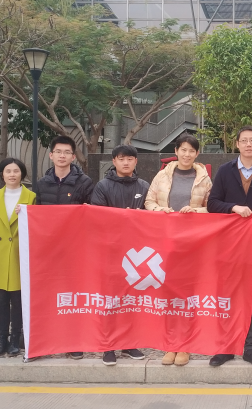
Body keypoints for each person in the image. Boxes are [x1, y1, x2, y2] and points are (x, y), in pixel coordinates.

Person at [207, 125, 252, 369]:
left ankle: (250, 347)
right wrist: (233, 208)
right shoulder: (225, 171)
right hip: (228, 244)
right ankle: (225, 347)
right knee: (226, 295)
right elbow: (212, 203)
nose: (248, 144)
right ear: (237, 144)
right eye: (244, 140)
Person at [145, 133, 212, 366]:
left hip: (192, 244)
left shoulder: (204, 179)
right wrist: (160, 211)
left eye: (191, 150)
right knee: (168, 292)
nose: (186, 154)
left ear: (197, 154)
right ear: (176, 151)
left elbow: (212, 207)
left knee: (187, 294)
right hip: (165, 241)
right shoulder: (162, 175)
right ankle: (170, 344)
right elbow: (149, 201)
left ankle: (185, 345)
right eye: (183, 149)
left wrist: (195, 211)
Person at [35, 135, 94, 360]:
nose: (62, 156)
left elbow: (93, 213)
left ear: (73, 157)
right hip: (48, 250)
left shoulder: (84, 183)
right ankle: (46, 340)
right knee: (48, 295)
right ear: (51, 155)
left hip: (74, 250)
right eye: (58, 152)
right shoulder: (41, 184)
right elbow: (36, 214)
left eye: (67, 152)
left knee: (72, 297)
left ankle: (73, 341)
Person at [91, 144, 150, 365]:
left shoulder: (144, 186)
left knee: (130, 300)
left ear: (136, 162)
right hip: (110, 251)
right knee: (110, 300)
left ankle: (128, 343)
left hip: (135, 254)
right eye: (121, 159)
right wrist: (122, 218)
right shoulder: (102, 186)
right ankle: (108, 346)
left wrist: (138, 217)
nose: (126, 163)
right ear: (114, 161)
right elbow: (97, 217)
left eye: (130, 159)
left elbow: (152, 216)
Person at [0, 158, 36, 358]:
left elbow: (35, 225)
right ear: (2, 174)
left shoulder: (31, 197)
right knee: (1, 301)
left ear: (22, 174)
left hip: (19, 255)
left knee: (18, 300)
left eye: (16, 171)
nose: (12, 174)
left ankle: (15, 339)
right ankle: (1, 339)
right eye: (8, 171)